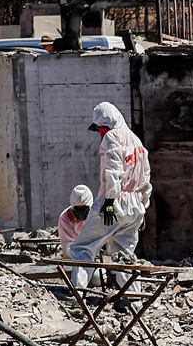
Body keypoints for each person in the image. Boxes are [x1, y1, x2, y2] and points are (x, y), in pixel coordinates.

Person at [67, 103, 151, 287]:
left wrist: (110, 201)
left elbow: (113, 171)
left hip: (113, 202)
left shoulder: (112, 137)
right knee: (123, 253)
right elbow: (146, 176)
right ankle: (132, 298)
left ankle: (76, 294)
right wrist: (144, 205)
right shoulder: (136, 141)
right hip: (135, 206)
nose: (100, 133)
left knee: (82, 247)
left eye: (100, 128)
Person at [58, 185, 93, 260]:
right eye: (77, 209)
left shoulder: (97, 215)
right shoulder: (65, 218)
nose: (81, 212)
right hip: (74, 258)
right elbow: (68, 247)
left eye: (84, 208)